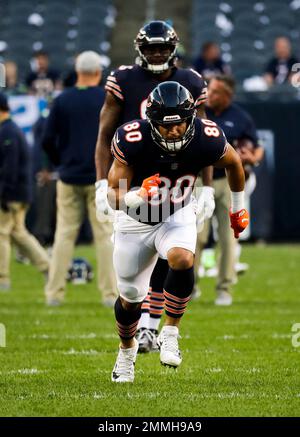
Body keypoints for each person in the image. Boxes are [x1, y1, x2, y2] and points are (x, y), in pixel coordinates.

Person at [107, 81, 248, 382]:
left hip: (177, 212)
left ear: (190, 119)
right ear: (151, 122)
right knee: (130, 299)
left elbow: (235, 163)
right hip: (135, 222)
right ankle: (126, 352)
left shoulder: (206, 136)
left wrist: (237, 208)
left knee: (182, 258)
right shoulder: (132, 138)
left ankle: (170, 331)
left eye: (180, 124)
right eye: (165, 126)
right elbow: (112, 194)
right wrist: (134, 195)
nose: (173, 132)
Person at [94, 20, 215, 353]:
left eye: (163, 48)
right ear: (140, 50)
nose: (158, 54)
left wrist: (206, 187)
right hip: (134, 176)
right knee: (134, 269)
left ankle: (151, 327)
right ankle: (138, 326)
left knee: (174, 254)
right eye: (152, 48)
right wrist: (102, 182)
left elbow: (204, 136)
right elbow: (105, 134)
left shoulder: (191, 80)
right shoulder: (123, 79)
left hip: (178, 180)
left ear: (173, 49)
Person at [42, 51, 117, 306]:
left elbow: (47, 140)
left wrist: (60, 162)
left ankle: (54, 294)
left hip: (69, 176)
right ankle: (110, 294)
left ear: (77, 70)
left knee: (64, 235)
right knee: (105, 235)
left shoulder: (62, 100)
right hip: (101, 178)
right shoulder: (106, 98)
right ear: (98, 72)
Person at [194, 75, 264, 306]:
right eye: (209, 90)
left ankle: (224, 288)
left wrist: (251, 157)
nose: (209, 95)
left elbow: (256, 146)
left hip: (227, 182)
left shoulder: (240, 117)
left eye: (215, 92)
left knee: (228, 237)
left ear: (227, 96)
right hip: (199, 181)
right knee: (195, 236)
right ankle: (189, 286)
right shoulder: (197, 111)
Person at [0, 92, 49, 290]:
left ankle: (2, 279)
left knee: (1, 233)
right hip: (17, 192)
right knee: (18, 233)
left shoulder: (8, 131)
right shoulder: (10, 129)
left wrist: (3, 193)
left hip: (11, 193)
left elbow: (9, 167)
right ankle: (48, 267)